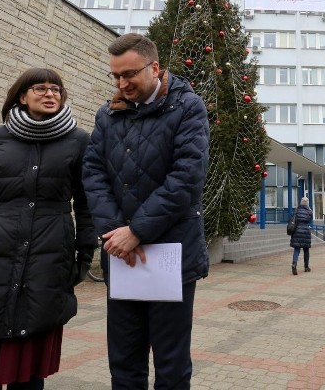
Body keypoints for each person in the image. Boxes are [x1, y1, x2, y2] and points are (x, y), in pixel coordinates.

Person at [0, 68, 95, 390]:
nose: (50, 94)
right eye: (40, 88)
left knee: (29, 363)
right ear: (22, 96)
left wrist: (84, 254)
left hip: (48, 256)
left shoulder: (80, 141)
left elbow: (86, 204)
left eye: (56, 89)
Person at [82, 33, 210, 390]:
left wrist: (136, 231)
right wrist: (115, 233)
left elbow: (187, 178)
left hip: (172, 255)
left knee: (170, 364)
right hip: (121, 254)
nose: (122, 84)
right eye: (115, 77)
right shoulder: (108, 115)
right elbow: (93, 175)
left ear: (154, 68)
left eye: (130, 75)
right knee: (124, 362)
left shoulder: (188, 107)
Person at [289, 196, 314, 275]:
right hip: (306, 230)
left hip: (297, 230)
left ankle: (294, 263)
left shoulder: (296, 210)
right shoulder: (309, 211)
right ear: (307, 204)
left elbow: (292, 218)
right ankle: (306, 267)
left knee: (296, 249)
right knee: (306, 250)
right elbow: (310, 220)